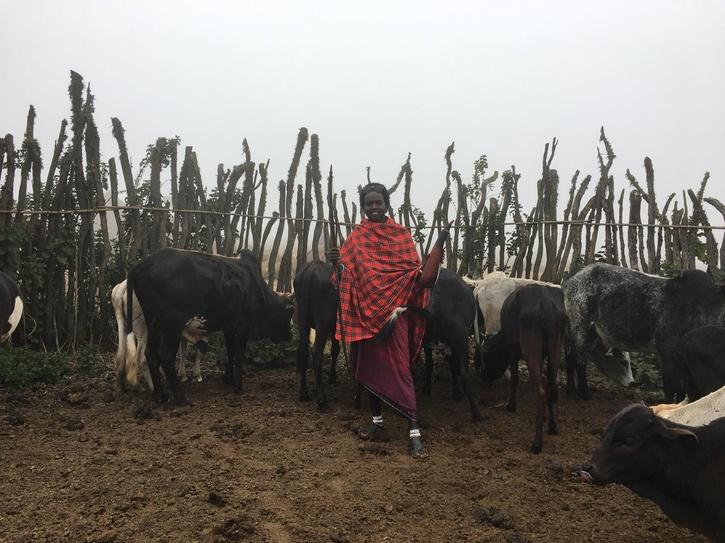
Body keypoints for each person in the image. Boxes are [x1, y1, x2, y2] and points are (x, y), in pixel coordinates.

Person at [326, 182, 449, 459]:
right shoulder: (356, 238)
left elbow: (414, 274)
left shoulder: (401, 235)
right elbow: (344, 278)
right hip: (365, 318)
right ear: (363, 205)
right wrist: (337, 264)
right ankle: (377, 424)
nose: (373, 207)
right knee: (371, 374)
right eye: (368, 203)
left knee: (401, 372)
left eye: (377, 203)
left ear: (386, 203)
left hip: (394, 317)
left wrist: (438, 246)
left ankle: (414, 431)